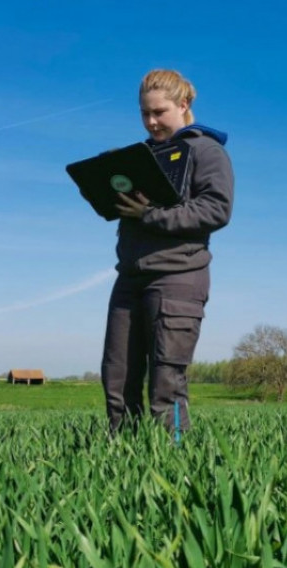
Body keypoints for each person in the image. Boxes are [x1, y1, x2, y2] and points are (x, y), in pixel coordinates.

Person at [101, 69, 234, 435]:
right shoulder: (140, 155)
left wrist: (149, 214)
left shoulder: (207, 151)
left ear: (184, 104)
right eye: (144, 113)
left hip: (178, 278)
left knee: (166, 383)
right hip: (129, 278)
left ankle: (173, 467)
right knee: (117, 379)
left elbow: (216, 210)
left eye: (159, 112)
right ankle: (122, 461)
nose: (150, 121)